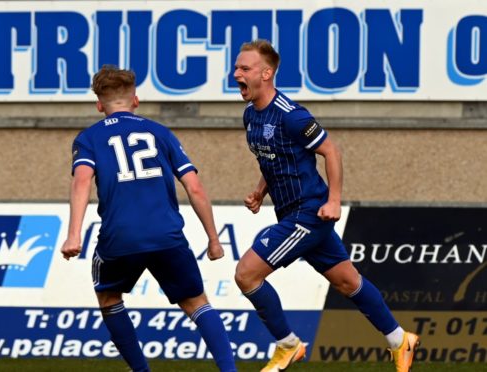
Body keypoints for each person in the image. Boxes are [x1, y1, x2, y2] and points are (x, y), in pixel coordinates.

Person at [232, 39, 419, 372]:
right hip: (292, 212)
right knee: (348, 282)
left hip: (310, 212)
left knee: (246, 274)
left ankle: (288, 345)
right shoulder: (250, 116)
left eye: (244, 68)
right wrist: (260, 191)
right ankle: (400, 340)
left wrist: (334, 200)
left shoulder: (292, 115)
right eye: (236, 68)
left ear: (267, 72)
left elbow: (331, 151)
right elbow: (271, 158)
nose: (236, 74)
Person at [60, 65, 236, 372]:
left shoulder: (88, 138)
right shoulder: (160, 133)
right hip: (166, 234)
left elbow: (81, 182)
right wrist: (213, 238)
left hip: (119, 237)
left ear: (99, 105)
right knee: (197, 303)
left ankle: (141, 371)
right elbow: (194, 186)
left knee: (109, 298)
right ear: (136, 101)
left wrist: (74, 235)